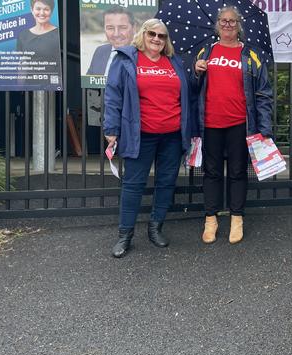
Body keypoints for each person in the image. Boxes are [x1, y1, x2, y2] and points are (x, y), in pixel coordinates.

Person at [103, 19, 191, 258]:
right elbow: (113, 95)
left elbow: (187, 93)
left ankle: (155, 228)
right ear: (143, 34)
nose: (156, 39)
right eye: (152, 34)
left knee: (166, 183)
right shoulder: (126, 59)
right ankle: (125, 235)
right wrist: (111, 128)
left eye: (162, 36)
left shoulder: (174, 62)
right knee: (133, 185)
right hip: (140, 135)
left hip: (172, 135)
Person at [192, 6, 273, 245]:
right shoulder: (206, 52)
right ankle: (211, 219)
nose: (228, 25)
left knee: (238, 173)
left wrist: (264, 129)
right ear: (218, 24)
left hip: (240, 124)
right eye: (223, 21)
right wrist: (196, 73)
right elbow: (192, 89)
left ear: (239, 25)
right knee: (211, 173)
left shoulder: (251, 55)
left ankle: (237, 218)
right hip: (210, 124)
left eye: (232, 21)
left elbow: (263, 93)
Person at [16, 0, 61, 84]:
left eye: (46, 9)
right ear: (32, 10)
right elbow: (22, 65)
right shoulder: (23, 35)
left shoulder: (59, 34)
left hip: (53, 87)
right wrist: (19, 86)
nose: (42, 13)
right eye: (38, 9)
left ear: (51, 11)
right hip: (29, 87)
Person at [86, 6, 135, 76]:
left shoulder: (145, 55)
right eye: (110, 28)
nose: (116, 34)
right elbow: (88, 84)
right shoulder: (100, 51)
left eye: (122, 27)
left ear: (134, 28)